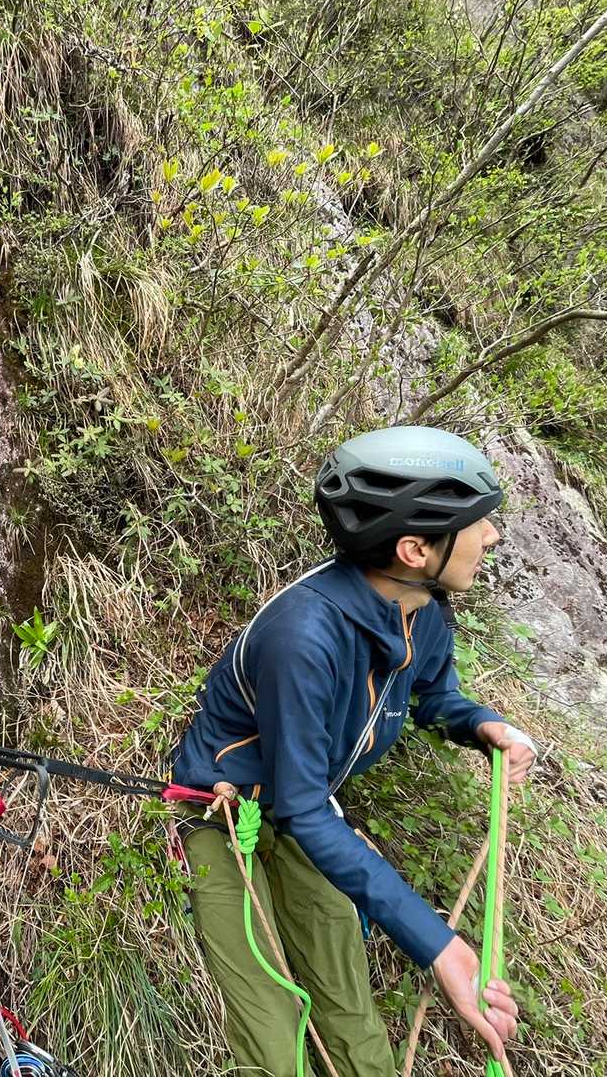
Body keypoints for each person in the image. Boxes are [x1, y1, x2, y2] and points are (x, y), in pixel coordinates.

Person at [172, 425, 537, 1077]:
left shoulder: (421, 609)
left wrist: (482, 726)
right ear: (414, 549)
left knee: (355, 1031)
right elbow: (304, 807)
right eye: (477, 523)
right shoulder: (304, 637)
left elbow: (430, 694)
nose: (492, 536)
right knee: (274, 1040)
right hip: (222, 812)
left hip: (305, 811)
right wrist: (440, 947)